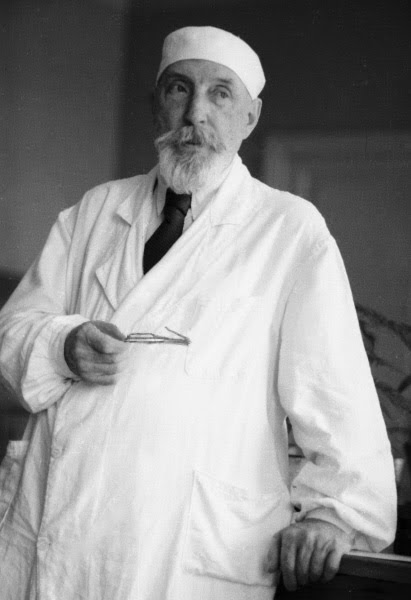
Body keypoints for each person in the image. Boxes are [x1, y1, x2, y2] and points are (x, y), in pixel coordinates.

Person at [0, 26, 396, 600]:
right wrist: (62, 345)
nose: (195, 114)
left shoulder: (288, 229)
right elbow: (11, 333)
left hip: (186, 545)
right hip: (58, 530)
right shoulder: (94, 211)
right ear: (156, 104)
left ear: (250, 117)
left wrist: (335, 515)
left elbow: (334, 386)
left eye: (220, 93)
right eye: (179, 89)